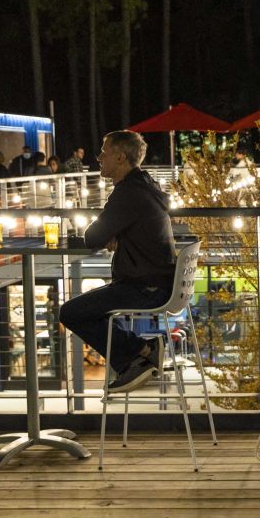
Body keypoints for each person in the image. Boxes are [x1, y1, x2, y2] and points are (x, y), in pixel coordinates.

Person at [59, 130, 176, 394]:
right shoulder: (144, 186)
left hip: (146, 287)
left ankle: (136, 358)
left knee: (70, 312)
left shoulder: (128, 193)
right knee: (93, 309)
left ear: (121, 157)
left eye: (104, 151)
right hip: (155, 282)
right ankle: (144, 351)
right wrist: (116, 232)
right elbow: (104, 234)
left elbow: (92, 237)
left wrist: (110, 233)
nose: (98, 157)